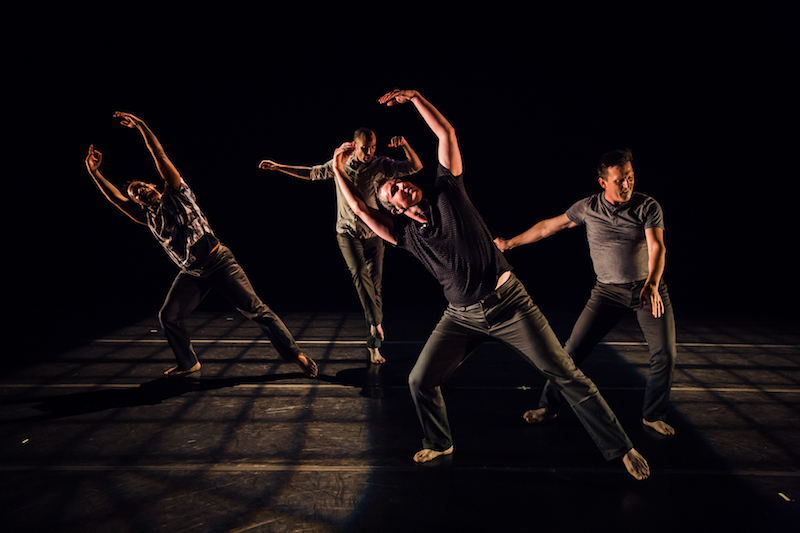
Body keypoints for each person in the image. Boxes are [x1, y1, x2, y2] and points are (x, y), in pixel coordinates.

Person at [330, 90, 650, 480]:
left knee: (564, 371)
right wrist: (336, 168)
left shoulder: (449, 193)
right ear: (394, 209)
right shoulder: (405, 237)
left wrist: (415, 99)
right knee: (420, 380)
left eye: (400, 182)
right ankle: (439, 441)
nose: (401, 187)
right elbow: (360, 209)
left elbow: (446, 134)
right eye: (392, 191)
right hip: (461, 318)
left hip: (510, 304)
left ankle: (622, 447)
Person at [84, 111, 317, 379]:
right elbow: (116, 200)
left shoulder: (176, 192)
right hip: (193, 273)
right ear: (137, 202)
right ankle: (188, 363)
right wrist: (95, 173)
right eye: (135, 194)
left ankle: (295, 354)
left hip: (219, 263)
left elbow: (159, 156)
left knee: (257, 310)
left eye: (140, 186)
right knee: (168, 317)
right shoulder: (148, 218)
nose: (139, 191)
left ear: (151, 184)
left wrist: (141, 126)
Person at [494, 148, 676, 436]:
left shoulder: (647, 206)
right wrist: (510, 244)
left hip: (647, 290)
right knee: (570, 352)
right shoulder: (588, 208)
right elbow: (547, 228)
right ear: (603, 183)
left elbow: (657, 246)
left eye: (630, 177)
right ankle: (548, 406)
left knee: (664, 354)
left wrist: (652, 283)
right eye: (620, 180)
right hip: (607, 293)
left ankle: (652, 415)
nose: (627, 185)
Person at [258, 128, 423, 364]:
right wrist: (279, 167)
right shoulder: (340, 163)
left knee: (375, 287)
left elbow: (414, 166)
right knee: (359, 275)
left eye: (373, 147)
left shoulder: (381, 164)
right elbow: (311, 174)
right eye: (365, 148)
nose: (369, 152)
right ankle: (376, 323)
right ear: (355, 145)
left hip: (374, 233)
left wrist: (405, 144)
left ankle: (374, 344)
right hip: (346, 233)